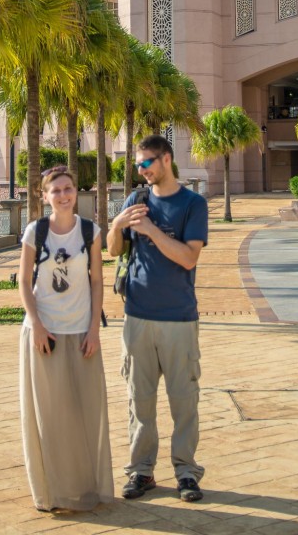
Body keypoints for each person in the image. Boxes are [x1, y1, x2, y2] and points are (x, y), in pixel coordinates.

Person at [107, 135, 209, 503]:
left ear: (166, 159)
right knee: (140, 400)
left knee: (184, 401)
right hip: (137, 315)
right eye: (137, 165)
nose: (142, 170)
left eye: (147, 162)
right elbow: (113, 249)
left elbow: (188, 258)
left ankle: (186, 472)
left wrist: (150, 230)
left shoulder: (192, 204)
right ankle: (141, 471)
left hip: (179, 317)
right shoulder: (136, 200)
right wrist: (117, 225)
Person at [18, 165, 114, 512]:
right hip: (45, 335)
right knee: (50, 416)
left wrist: (93, 330)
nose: (62, 195)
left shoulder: (90, 231)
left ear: (77, 191)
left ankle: (89, 487)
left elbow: (98, 281)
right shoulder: (35, 232)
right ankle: (51, 492)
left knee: (87, 413)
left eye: (68, 188)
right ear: (45, 196)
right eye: (55, 190)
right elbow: (24, 281)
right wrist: (37, 325)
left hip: (81, 334)